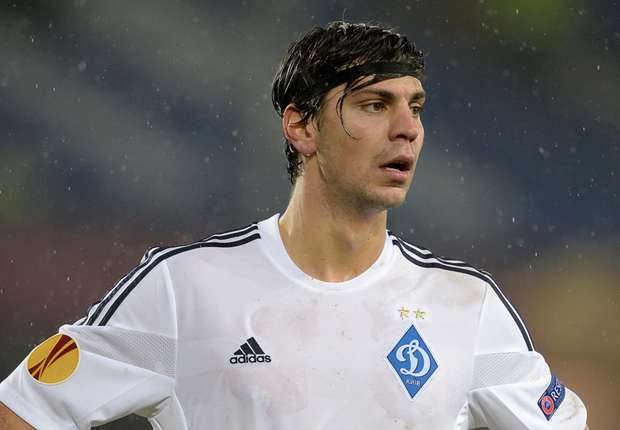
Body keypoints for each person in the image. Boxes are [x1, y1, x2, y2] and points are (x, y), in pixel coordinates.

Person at [0, 21, 588, 430]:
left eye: (415, 107)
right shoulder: (183, 287)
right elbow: (23, 411)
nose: (407, 128)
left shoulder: (467, 305)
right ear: (301, 127)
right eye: (374, 104)